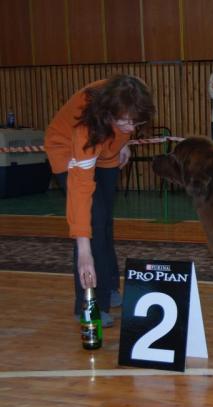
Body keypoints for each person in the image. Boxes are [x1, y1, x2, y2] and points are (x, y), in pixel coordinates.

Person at [44, 74, 155, 327]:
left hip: (107, 149)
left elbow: (128, 122)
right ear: (108, 113)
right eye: (124, 122)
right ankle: (90, 302)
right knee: (94, 221)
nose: (131, 128)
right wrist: (84, 251)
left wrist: (125, 143)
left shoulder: (135, 93)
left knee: (106, 221)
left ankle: (109, 286)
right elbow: (80, 193)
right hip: (66, 147)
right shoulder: (87, 129)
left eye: (136, 122)